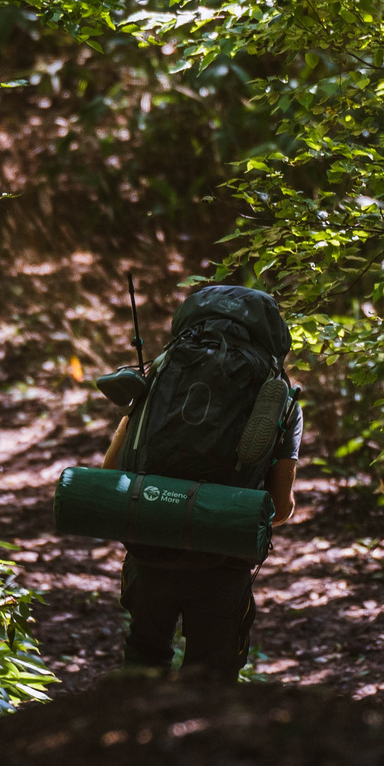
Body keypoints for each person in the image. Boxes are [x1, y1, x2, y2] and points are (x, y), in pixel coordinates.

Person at [97, 284, 302, 683]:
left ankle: (131, 738)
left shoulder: (157, 373)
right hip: (221, 554)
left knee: (143, 661)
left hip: (149, 540)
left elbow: (110, 472)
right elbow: (278, 508)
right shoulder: (281, 399)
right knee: (212, 678)